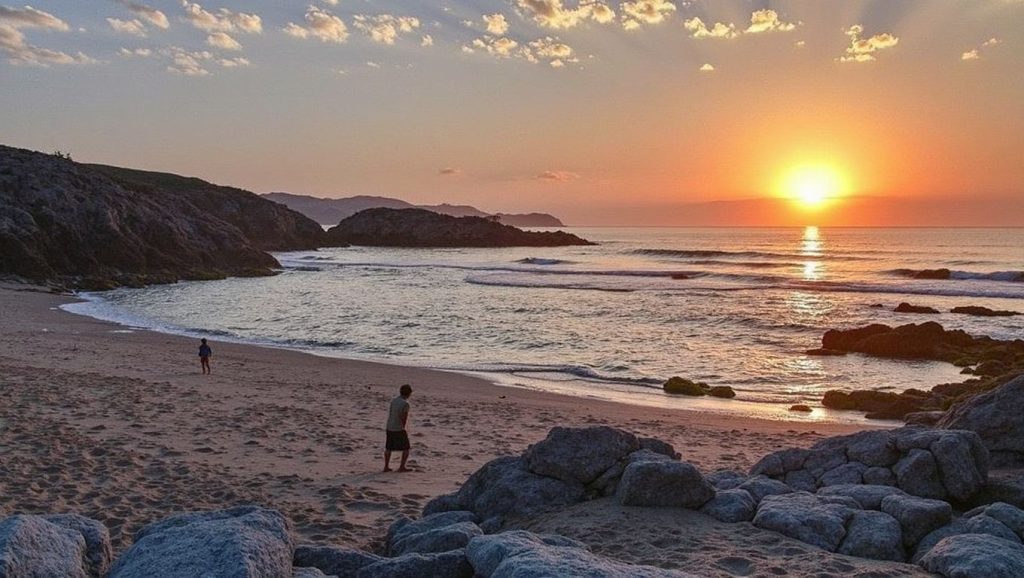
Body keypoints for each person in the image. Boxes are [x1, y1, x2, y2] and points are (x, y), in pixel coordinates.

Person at [384, 384, 413, 472]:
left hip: (389, 426)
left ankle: (386, 466)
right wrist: (404, 427)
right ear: (409, 394)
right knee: (406, 448)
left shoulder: (394, 401)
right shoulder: (405, 404)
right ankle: (402, 466)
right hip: (398, 427)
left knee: (389, 448)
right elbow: (403, 417)